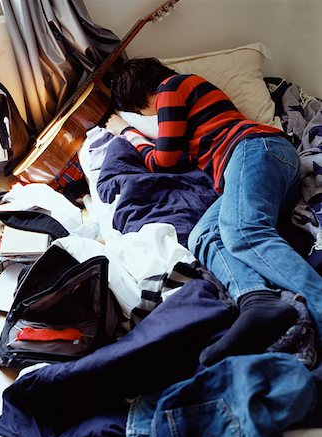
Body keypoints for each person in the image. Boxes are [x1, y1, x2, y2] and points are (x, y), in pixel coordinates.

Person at [105, 57, 322, 366]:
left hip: (254, 149)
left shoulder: (171, 87)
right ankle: (256, 299)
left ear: (137, 100)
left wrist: (128, 131)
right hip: (259, 166)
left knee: (244, 233)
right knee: (204, 236)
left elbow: (162, 160)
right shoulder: (189, 101)